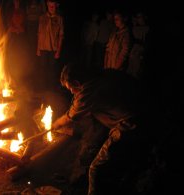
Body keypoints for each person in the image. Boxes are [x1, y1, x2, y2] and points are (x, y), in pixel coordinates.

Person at [52, 64, 149, 194]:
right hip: (139, 114)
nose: (71, 92)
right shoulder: (104, 74)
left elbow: (71, 116)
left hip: (131, 124)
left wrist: (56, 125)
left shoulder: (89, 90)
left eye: (71, 88)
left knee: (96, 169)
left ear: (77, 82)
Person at [36, 0, 64, 90]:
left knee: (52, 69)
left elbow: (61, 35)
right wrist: (38, 48)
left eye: (53, 6)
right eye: (50, 6)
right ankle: (42, 87)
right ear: (47, 6)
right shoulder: (42, 18)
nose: (52, 8)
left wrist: (58, 51)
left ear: (56, 6)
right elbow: (39, 33)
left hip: (53, 48)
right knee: (42, 68)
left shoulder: (59, 19)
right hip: (43, 47)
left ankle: (51, 87)